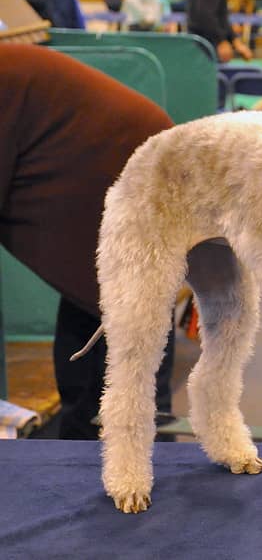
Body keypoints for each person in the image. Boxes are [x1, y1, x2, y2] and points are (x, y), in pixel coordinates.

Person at [0, 45, 176, 440]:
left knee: (131, 383)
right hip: (113, 173)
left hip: (134, 174)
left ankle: (152, 475)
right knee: (90, 347)